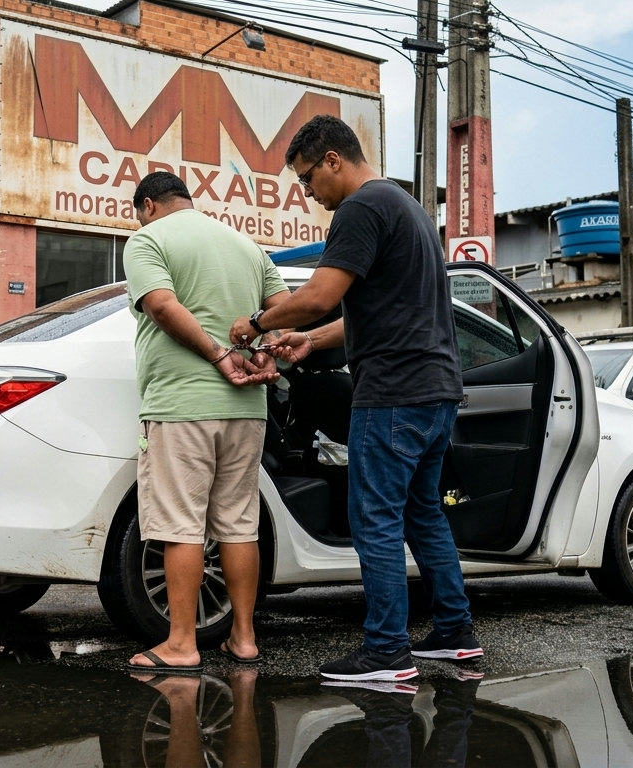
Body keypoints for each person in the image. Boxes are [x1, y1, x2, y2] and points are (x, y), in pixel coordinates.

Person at [229, 114, 482, 682]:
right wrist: (306, 340)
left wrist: (256, 322)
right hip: (436, 390)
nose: (308, 195)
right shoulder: (407, 207)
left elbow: (320, 294)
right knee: (423, 514)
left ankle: (387, 651)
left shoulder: (359, 209)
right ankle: (454, 632)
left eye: (306, 180)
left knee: (374, 518)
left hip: (393, 393)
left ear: (333, 161)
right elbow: (364, 313)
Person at [123, 171, 288, 674]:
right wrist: (265, 349)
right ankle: (243, 638)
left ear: (148, 205)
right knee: (239, 524)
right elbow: (283, 307)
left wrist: (218, 355)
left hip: (181, 404)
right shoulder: (245, 245)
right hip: (247, 408)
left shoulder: (147, 240)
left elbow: (161, 305)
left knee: (181, 525)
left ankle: (181, 643)